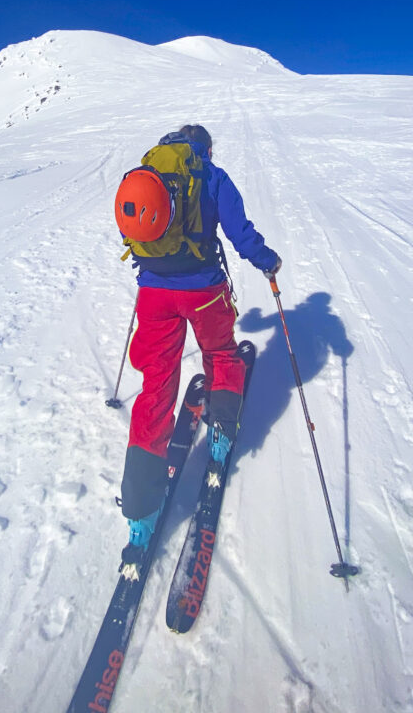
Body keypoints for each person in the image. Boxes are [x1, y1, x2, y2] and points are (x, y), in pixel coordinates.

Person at [119, 124, 281, 574]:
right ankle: (223, 430)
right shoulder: (211, 175)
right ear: (204, 148)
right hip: (204, 291)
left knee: (156, 385)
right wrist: (267, 261)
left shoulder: (151, 169)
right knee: (222, 354)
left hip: (154, 294)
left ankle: (140, 515)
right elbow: (238, 231)